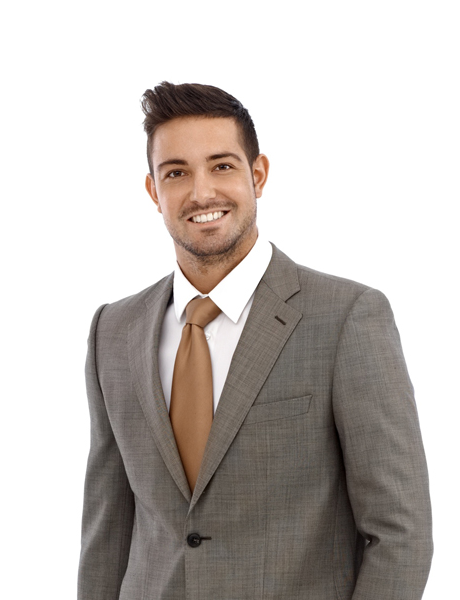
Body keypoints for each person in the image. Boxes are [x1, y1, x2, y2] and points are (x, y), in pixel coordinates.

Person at [78, 82, 432, 600]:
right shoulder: (113, 331)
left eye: (221, 166)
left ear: (258, 175)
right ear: (154, 191)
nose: (201, 193)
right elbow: (107, 528)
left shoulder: (347, 317)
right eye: (176, 173)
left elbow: (400, 533)